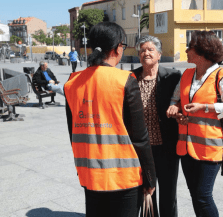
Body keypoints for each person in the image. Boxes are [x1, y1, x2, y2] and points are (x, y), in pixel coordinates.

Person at [64, 22, 156, 217]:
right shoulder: (124, 80)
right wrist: (150, 178)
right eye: (123, 46)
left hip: (89, 174)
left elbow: (73, 131)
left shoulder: (72, 82)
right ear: (116, 49)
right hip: (124, 177)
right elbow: (139, 137)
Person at [166, 31, 223, 217]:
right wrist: (175, 110)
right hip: (186, 146)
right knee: (195, 196)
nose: (186, 50)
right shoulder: (187, 74)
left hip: (210, 147)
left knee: (203, 196)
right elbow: (175, 100)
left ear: (201, 51)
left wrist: (204, 107)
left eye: (190, 47)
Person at [131, 35, 181, 217]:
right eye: (142, 50)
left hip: (167, 146)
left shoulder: (173, 77)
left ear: (159, 54)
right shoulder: (131, 78)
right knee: (146, 192)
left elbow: (182, 100)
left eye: (151, 49)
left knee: (168, 194)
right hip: (141, 149)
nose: (146, 53)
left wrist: (177, 107)